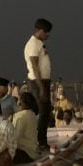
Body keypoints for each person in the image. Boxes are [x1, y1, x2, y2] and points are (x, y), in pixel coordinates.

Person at [24, 18, 53, 149]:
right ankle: (41, 142)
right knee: (43, 111)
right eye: (46, 32)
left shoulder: (39, 43)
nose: (48, 35)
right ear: (40, 31)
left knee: (45, 111)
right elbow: (35, 66)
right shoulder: (33, 44)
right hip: (38, 82)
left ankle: (41, 140)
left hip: (43, 82)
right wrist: (41, 88)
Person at [12, 91, 41, 164]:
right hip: (32, 151)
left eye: (19, 100)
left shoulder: (20, 116)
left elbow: (15, 137)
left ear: (21, 102)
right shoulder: (32, 114)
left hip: (25, 152)